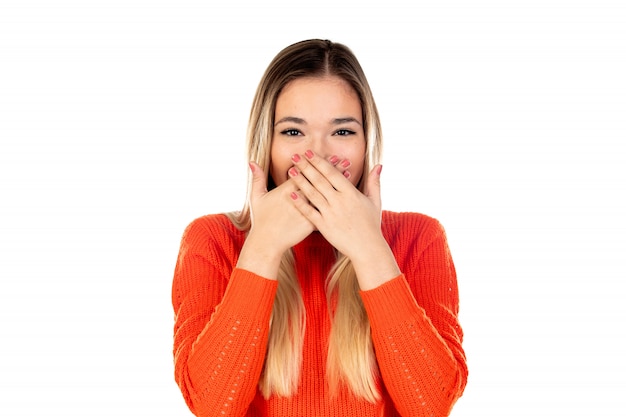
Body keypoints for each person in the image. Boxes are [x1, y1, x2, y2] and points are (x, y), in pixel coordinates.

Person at [171, 39, 467, 417]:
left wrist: (369, 249)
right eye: (294, 132)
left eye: (342, 132)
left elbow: (431, 405)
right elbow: (211, 405)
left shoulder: (419, 237)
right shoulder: (212, 239)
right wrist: (262, 248)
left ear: (366, 143)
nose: (320, 156)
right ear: (266, 142)